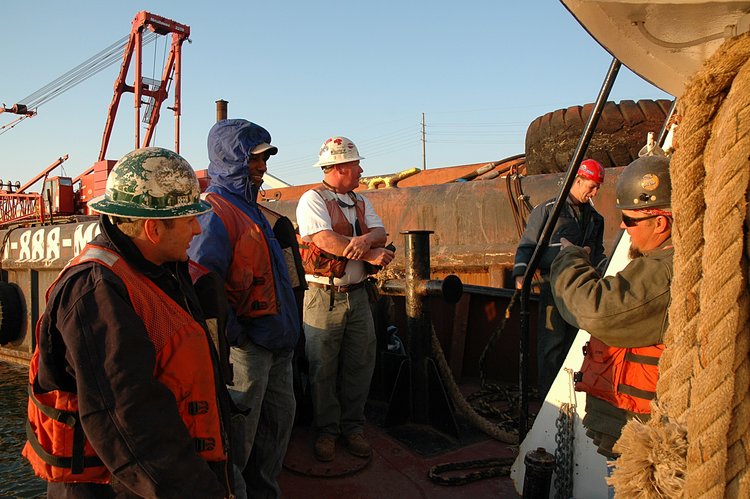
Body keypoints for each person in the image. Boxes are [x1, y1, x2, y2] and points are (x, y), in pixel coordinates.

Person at [22, 147, 233, 498]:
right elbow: (127, 419)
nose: (197, 230)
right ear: (153, 228)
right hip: (116, 488)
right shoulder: (96, 291)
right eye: (188, 220)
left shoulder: (159, 269)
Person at [187, 119, 300, 499]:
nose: (262, 166)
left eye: (264, 159)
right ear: (231, 159)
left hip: (277, 342)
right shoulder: (214, 211)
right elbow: (203, 286)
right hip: (249, 349)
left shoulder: (251, 209)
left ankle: (264, 492)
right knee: (239, 438)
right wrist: (239, 339)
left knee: (277, 426)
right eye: (254, 159)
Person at [550, 154, 672, 460]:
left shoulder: (663, 272)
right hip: (639, 428)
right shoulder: (662, 262)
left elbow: (593, 309)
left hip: (644, 436)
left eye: (630, 220)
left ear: (660, 223)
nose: (622, 225)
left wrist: (570, 258)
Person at [296, 136, 395, 462]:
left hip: (358, 296)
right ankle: (327, 431)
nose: (361, 171)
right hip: (323, 297)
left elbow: (380, 233)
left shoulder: (361, 201)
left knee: (360, 364)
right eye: (356, 165)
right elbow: (324, 240)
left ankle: (353, 427)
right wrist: (370, 253)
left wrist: (365, 241)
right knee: (322, 367)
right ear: (339, 167)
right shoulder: (312, 200)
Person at [512, 159, 607, 397]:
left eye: (598, 188)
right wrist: (521, 274)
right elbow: (528, 244)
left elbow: (598, 252)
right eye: (592, 186)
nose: (595, 193)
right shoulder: (548, 211)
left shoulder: (596, 219)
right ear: (578, 180)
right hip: (553, 286)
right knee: (551, 343)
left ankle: (570, 395)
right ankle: (548, 398)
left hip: (582, 288)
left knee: (576, 343)